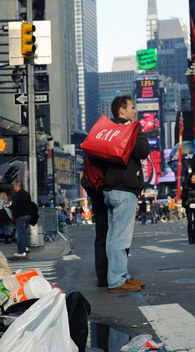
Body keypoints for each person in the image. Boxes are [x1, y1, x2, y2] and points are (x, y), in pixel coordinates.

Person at [101, 95, 150, 292]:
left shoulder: (107, 130)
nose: (135, 111)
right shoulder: (128, 128)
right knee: (120, 238)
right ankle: (116, 280)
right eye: (132, 107)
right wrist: (135, 127)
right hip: (123, 190)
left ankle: (122, 275)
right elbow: (143, 150)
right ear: (122, 111)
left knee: (113, 237)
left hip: (110, 190)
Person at [81, 170, 108, 287]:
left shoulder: (91, 154)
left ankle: (104, 276)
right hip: (106, 197)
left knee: (102, 238)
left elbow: (84, 181)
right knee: (116, 238)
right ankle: (115, 274)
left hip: (98, 199)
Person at [10, 181, 31, 258]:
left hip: (21, 215)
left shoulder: (17, 194)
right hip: (28, 215)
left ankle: (21, 251)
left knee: (20, 234)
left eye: (14, 186)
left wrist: (9, 207)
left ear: (16, 186)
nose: (13, 188)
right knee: (23, 233)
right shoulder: (27, 194)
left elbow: (14, 205)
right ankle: (25, 247)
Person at [182, 172, 195, 244]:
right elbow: (183, 195)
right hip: (189, 205)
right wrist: (187, 195)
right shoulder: (186, 186)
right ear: (190, 178)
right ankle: (190, 237)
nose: (194, 180)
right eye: (193, 178)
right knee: (190, 222)